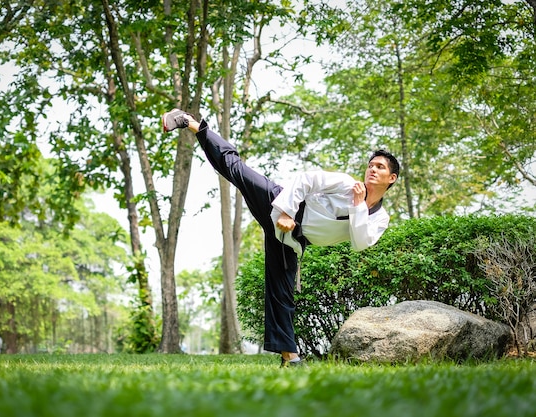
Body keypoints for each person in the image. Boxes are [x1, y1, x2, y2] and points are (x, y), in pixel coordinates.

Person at [162, 108, 400, 367]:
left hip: (292, 239)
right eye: (370, 165)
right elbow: (305, 180)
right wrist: (287, 211)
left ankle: (290, 358)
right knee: (236, 169)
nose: (372, 170)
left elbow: (360, 242)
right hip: (277, 203)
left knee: (282, 292)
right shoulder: (345, 183)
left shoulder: (379, 217)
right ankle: (192, 123)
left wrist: (357, 205)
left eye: (379, 167)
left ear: (392, 178)